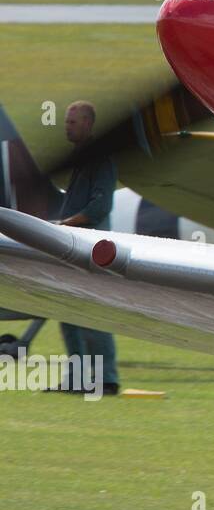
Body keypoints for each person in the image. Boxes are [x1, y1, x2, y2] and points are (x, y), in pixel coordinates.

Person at [53, 101, 120, 395]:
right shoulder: (82, 158)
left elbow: (100, 207)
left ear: (88, 124)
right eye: (66, 122)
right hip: (72, 245)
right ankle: (76, 379)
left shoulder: (100, 159)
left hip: (91, 248)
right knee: (67, 314)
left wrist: (64, 224)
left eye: (72, 122)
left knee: (93, 315)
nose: (67, 127)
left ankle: (107, 380)